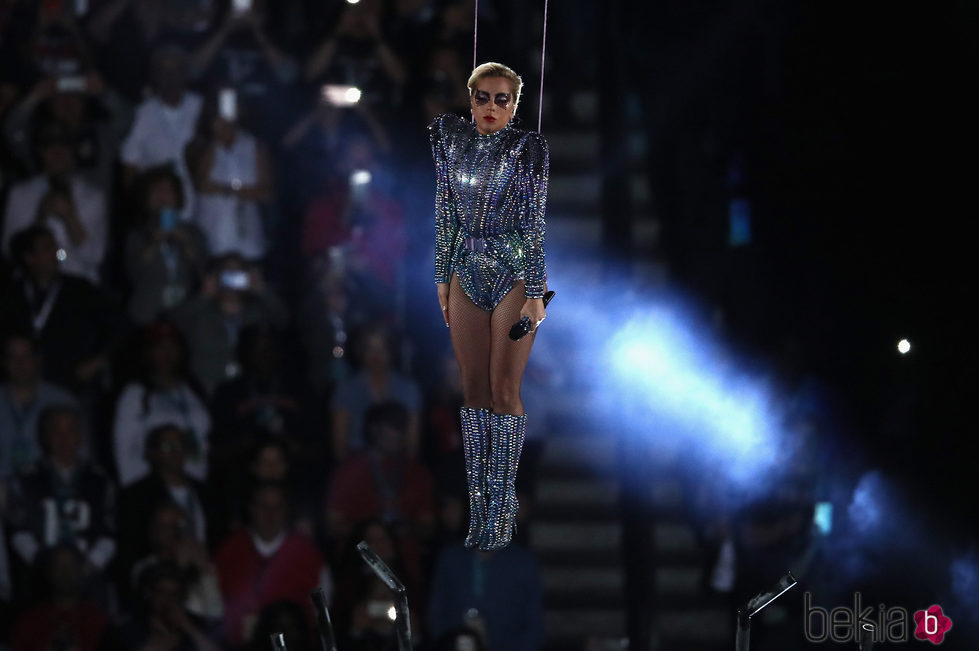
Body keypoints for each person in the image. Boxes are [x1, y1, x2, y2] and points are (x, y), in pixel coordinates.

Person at [429, 62, 549, 550]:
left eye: (503, 99)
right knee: (474, 391)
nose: (492, 107)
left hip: (513, 273)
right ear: (471, 98)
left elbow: (536, 223)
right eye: (483, 97)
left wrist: (538, 291)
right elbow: (443, 210)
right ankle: (481, 511)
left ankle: (503, 507)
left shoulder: (529, 149)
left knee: (504, 390)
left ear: (515, 106)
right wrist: (440, 277)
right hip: (465, 270)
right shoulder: (449, 140)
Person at [112, 322, 211, 486]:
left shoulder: (192, 388)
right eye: (160, 347)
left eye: (172, 347)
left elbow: (200, 444)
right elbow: (123, 448)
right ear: (148, 352)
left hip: (191, 484)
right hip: (150, 486)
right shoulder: (135, 393)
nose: (167, 353)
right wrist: (132, 491)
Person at [0, 332, 77, 478]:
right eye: (13, 357)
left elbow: (80, 456)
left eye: (26, 356)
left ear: (37, 360)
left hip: (48, 488)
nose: (20, 363)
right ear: (5, 362)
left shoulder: (62, 402)